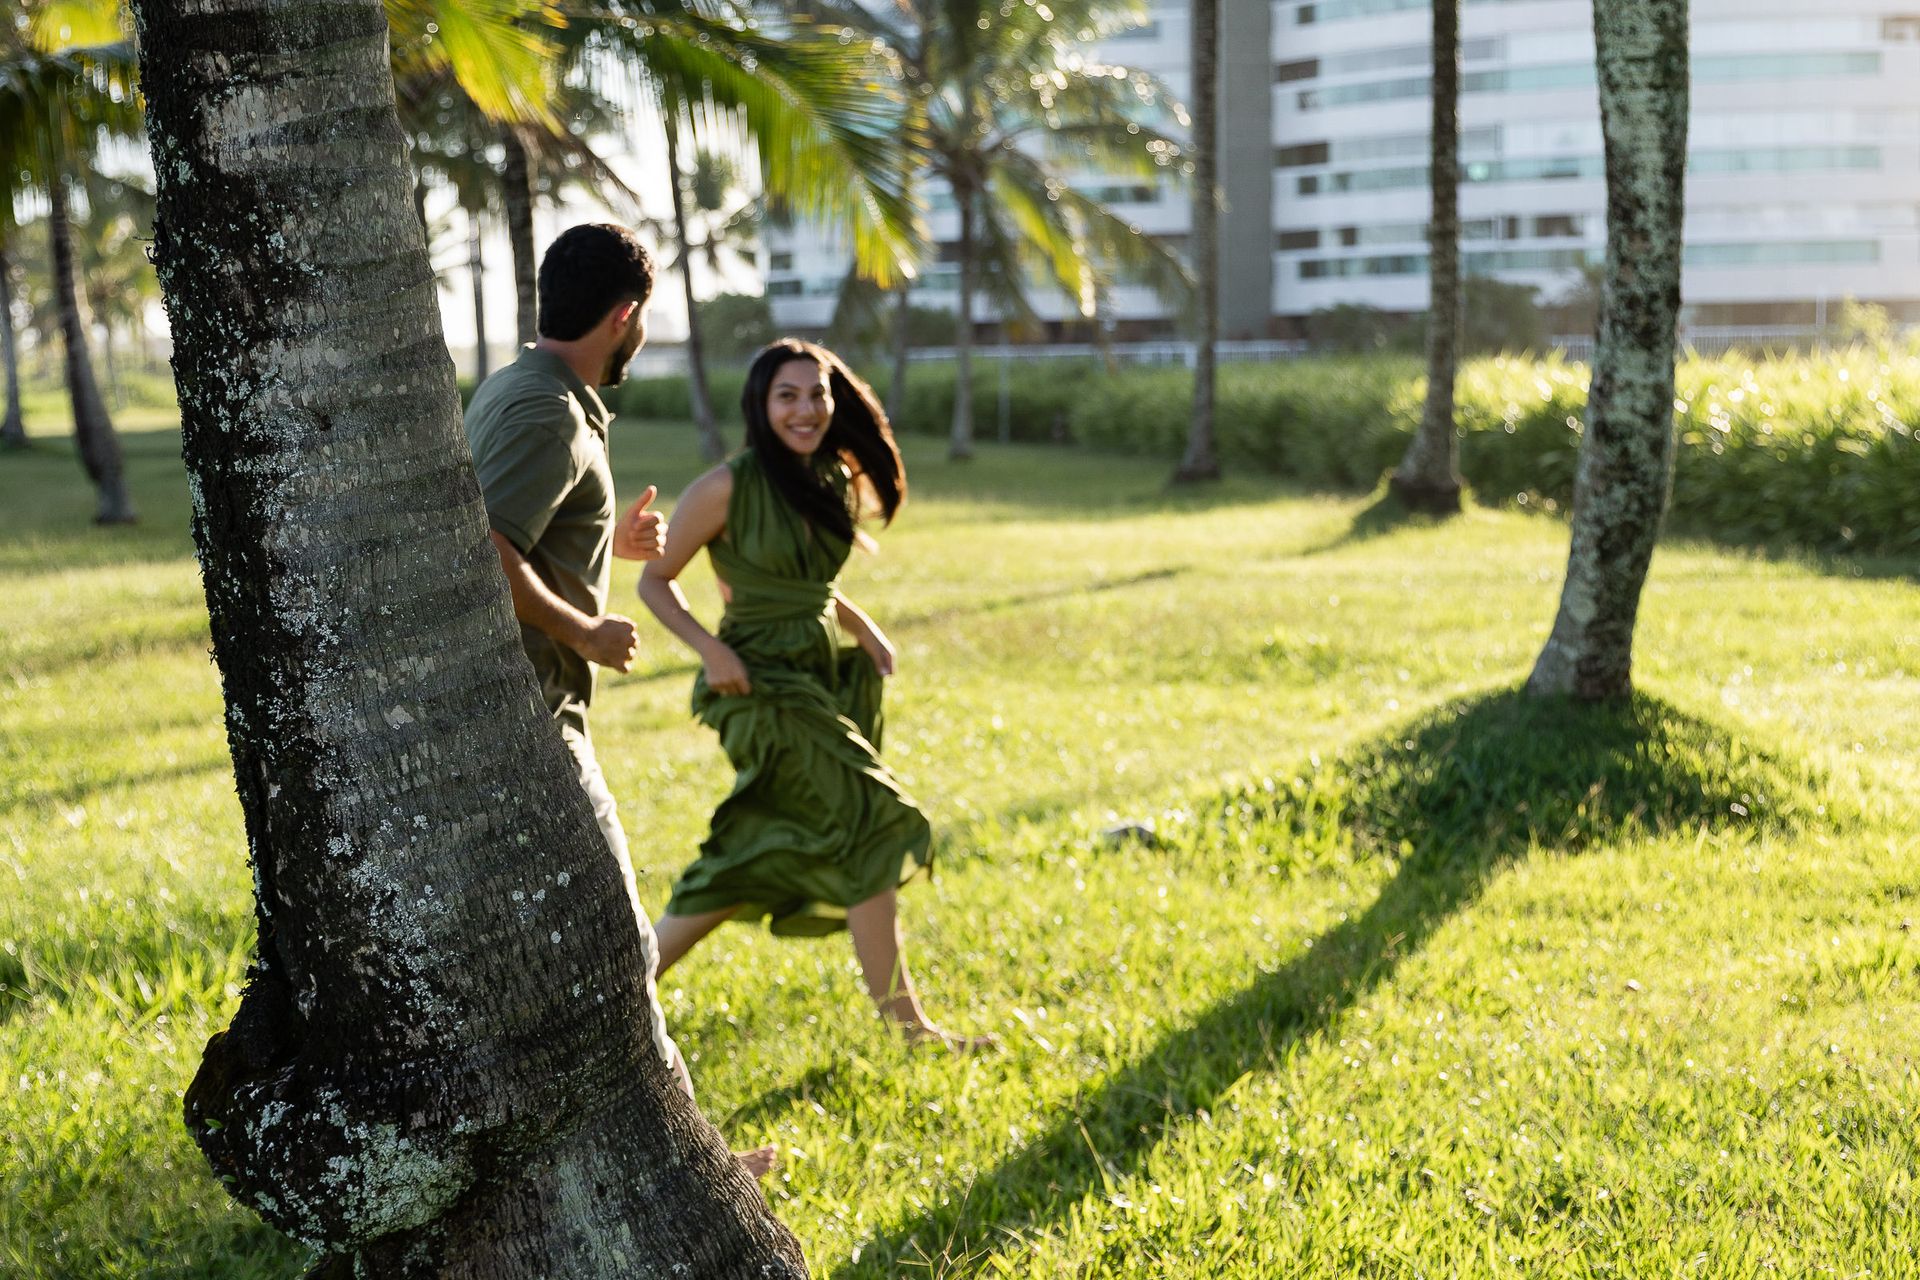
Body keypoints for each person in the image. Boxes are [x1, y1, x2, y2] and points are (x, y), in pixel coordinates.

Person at [464, 223, 777, 1170]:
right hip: (536, 725)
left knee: (596, 959)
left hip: (531, 719)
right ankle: (692, 1173)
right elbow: (487, 545)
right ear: (625, 315)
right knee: (621, 950)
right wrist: (586, 630)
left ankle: (659, 1164)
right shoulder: (545, 413)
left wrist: (611, 548)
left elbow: (531, 527)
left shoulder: (538, 393)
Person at [637, 338, 994, 1052]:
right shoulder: (726, 487)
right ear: (761, 405)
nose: (806, 409)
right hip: (757, 684)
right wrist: (712, 651)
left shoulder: (830, 477)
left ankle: (619, 992)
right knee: (868, 815)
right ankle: (909, 1026)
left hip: (823, 676)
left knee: (764, 842)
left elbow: (813, 585)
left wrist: (863, 628)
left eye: (818, 395)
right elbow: (656, 580)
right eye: (788, 396)